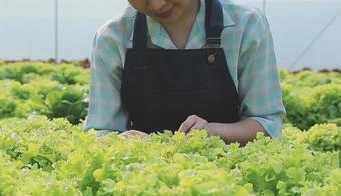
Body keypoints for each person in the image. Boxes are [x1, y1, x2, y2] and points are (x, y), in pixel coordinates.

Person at [84, 0, 286, 144]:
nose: (156, 4)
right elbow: (100, 130)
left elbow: (266, 124)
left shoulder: (246, 24)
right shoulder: (111, 38)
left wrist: (213, 132)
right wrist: (119, 142)